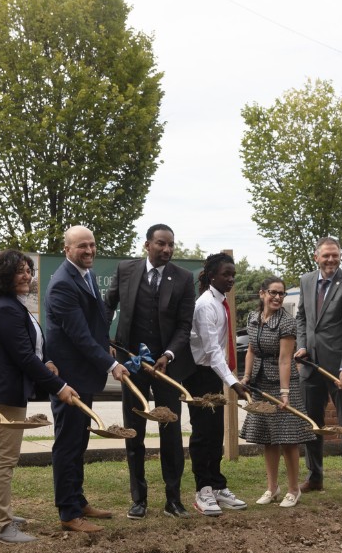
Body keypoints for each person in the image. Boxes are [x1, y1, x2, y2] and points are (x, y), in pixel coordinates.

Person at [0, 251, 80, 544]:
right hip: (0, 390)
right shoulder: (4, 308)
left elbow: (30, 350)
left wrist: (47, 362)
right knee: (6, 455)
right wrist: (59, 386)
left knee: (0, 452)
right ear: (4, 275)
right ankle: (2, 527)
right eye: (20, 271)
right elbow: (23, 357)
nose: (27, 275)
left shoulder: (12, 305)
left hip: (5, 388)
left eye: (29, 270)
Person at [104, 224, 196, 520]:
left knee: (170, 434)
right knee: (135, 432)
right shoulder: (126, 270)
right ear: (147, 245)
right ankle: (138, 500)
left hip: (166, 369)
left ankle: (173, 500)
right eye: (161, 244)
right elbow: (108, 307)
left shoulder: (182, 279)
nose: (167, 249)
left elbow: (184, 325)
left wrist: (168, 354)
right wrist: (103, 341)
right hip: (133, 366)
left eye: (171, 245)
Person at [44, 225, 130, 533]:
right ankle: (68, 512)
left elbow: (93, 322)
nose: (89, 251)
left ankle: (78, 501)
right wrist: (111, 365)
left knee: (78, 441)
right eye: (82, 246)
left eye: (92, 245)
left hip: (84, 375)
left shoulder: (87, 275)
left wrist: (105, 343)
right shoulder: (62, 284)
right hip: (68, 378)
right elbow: (78, 335)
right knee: (68, 443)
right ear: (67, 250)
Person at [294, 236, 342, 505]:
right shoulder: (306, 281)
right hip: (310, 366)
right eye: (326, 255)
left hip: (341, 370)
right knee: (312, 423)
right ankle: (315, 476)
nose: (331, 260)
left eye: (335, 255)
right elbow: (302, 317)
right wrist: (302, 346)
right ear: (316, 257)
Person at [240, 277, 316, 508]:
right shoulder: (253, 318)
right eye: (273, 292)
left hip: (284, 383)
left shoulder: (287, 323)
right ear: (262, 294)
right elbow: (251, 350)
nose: (277, 297)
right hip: (261, 383)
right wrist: (246, 377)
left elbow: (285, 359)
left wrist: (284, 393)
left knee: (288, 438)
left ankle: (294, 489)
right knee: (267, 438)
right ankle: (272, 488)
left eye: (281, 293)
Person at [186, 252, 250, 517]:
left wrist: (228, 379)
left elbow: (219, 353)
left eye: (233, 275)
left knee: (215, 435)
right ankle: (203, 491)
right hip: (198, 374)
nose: (231, 279)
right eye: (226, 274)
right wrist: (234, 383)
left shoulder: (220, 301)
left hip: (212, 373)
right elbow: (212, 352)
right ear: (212, 275)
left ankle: (218, 486)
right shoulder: (205, 306)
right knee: (203, 434)